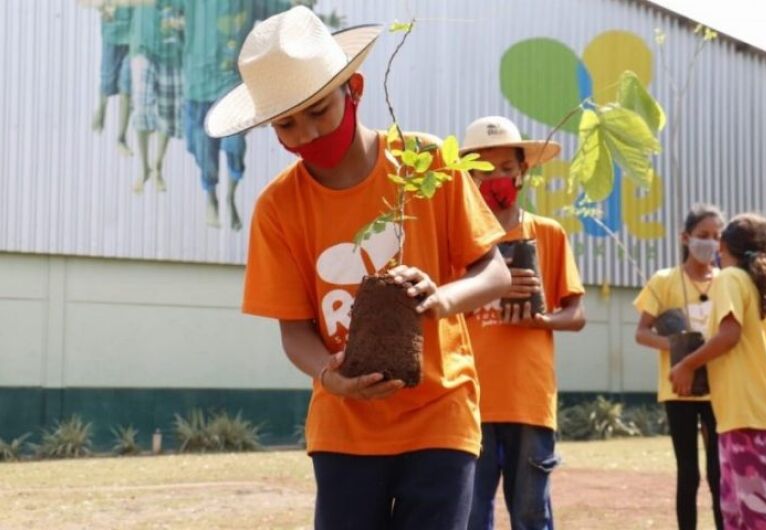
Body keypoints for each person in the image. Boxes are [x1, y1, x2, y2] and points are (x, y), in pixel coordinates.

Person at [205, 7, 511, 529]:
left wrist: (443, 299)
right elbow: (295, 332)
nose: (305, 134)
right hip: (343, 429)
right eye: (286, 124)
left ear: (356, 89)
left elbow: (495, 273)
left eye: (318, 110)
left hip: (441, 414)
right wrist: (330, 374)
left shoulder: (427, 162)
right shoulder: (278, 208)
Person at [460, 116, 586, 530]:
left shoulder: (548, 234)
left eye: (506, 169)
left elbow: (576, 314)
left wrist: (540, 319)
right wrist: (484, 290)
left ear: (523, 171)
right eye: (482, 171)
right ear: (467, 177)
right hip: (467, 401)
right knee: (470, 517)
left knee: (532, 516)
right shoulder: (455, 239)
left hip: (528, 401)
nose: (495, 178)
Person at [671, 213, 766, 530]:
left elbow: (729, 335)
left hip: (747, 410)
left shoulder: (731, 278)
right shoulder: (750, 282)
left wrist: (687, 364)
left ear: (723, 244)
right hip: (740, 410)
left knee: (754, 510)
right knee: (733, 509)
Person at [634, 204, 725, 530]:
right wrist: (677, 347)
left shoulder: (728, 282)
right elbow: (642, 333)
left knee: (719, 473)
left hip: (721, 389)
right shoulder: (664, 281)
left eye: (716, 237)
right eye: (703, 236)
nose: (710, 243)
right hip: (679, 388)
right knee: (688, 472)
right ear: (685, 238)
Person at [182, 0, 288, 229]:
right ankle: (211, 195)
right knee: (202, 148)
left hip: (230, 82)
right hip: (197, 82)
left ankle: (230, 196)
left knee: (234, 145)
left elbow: (279, 9)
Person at [128, 0, 184, 193]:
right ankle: (144, 167)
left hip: (172, 51)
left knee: (167, 112)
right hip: (144, 45)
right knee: (142, 105)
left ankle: (157, 165)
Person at [92, 1, 134, 157]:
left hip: (136, 32)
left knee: (127, 82)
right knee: (108, 77)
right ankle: (102, 109)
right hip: (113, 28)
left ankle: (121, 137)